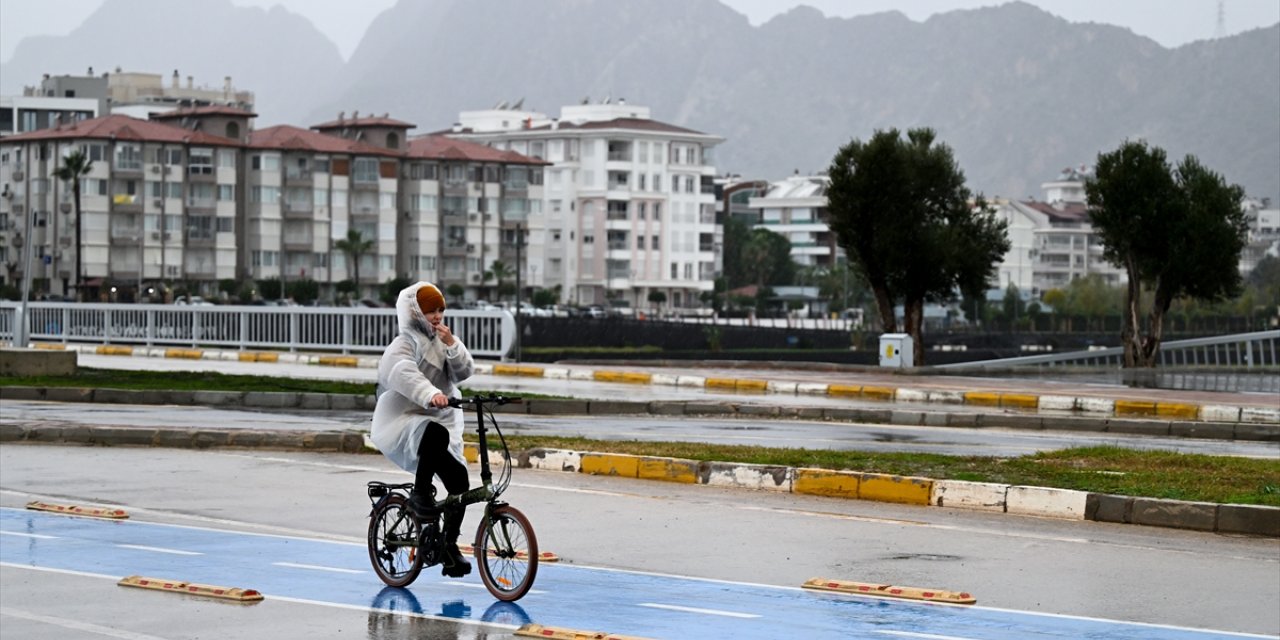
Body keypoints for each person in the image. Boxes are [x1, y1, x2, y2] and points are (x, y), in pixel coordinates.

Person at [370, 282, 475, 577]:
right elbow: (402, 372)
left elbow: (463, 372)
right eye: (431, 310)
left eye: (440, 309)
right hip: (404, 416)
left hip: (440, 417)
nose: (437, 315)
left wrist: (453, 346)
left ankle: (448, 546)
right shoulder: (404, 343)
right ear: (416, 312)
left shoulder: (442, 339)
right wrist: (429, 394)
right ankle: (419, 494)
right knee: (434, 434)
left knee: (460, 484)